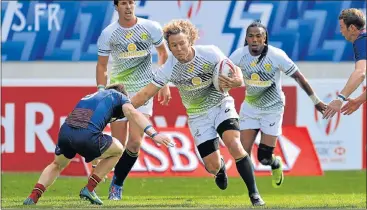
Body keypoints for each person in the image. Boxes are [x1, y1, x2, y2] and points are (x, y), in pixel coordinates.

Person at [130, 19, 265, 206]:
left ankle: (254, 194)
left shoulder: (210, 53)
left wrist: (236, 81)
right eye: (173, 45)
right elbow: (145, 94)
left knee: (234, 144)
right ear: (168, 47)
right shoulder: (169, 68)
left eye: (182, 43)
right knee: (211, 165)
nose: (178, 48)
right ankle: (220, 169)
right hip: (198, 116)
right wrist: (123, 107)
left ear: (190, 40)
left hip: (220, 104)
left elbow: (236, 72)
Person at [23, 84, 174, 206]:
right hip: (86, 136)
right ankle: (89, 189)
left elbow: (89, 130)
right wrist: (154, 134)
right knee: (118, 149)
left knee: (56, 165)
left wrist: (96, 167)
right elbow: (133, 113)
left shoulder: (90, 97)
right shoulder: (119, 97)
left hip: (66, 132)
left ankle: (33, 196)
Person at [220, 20, 327, 188]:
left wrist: (316, 101)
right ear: (246, 39)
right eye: (251, 36)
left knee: (263, 158)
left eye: (258, 36)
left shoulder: (276, 55)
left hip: (273, 109)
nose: (254, 40)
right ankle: (254, 193)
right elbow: (222, 75)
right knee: (242, 153)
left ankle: (275, 163)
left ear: (265, 39)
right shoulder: (238, 55)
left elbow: (299, 77)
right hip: (250, 108)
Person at [96, 0, 171, 200]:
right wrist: (101, 91)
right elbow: (102, 66)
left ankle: (117, 185)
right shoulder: (108, 33)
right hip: (119, 93)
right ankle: (98, 169)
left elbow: (163, 53)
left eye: (131, 2)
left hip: (144, 91)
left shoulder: (150, 27)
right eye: (123, 3)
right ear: (116, 6)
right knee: (118, 146)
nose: (128, 7)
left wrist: (163, 83)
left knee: (135, 144)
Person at [323, 8, 366, 119]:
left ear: (351, 28)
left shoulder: (362, 41)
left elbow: (360, 73)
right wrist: (358, 100)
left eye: (342, 27)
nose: (341, 31)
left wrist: (340, 98)